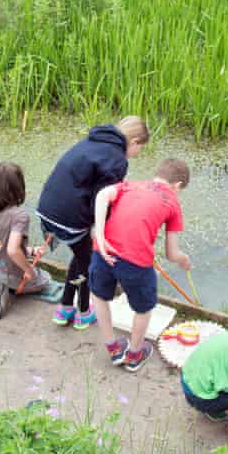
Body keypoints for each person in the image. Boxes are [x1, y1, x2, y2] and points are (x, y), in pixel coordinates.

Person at [36, 116, 149, 330]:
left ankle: (65, 308)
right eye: (139, 149)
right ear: (134, 141)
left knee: (81, 255)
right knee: (90, 263)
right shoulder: (118, 160)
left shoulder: (93, 141)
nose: (136, 154)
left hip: (47, 207)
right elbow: (101, 199)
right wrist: (100, 229)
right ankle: (84, 312)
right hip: (68, 217)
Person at [90, 158, 191, 372]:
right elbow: (172, 254)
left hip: (102, 251)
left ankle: (113, 349)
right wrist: (184, 260)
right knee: (144, 308)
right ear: (178, 186)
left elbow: (101, 195)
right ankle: (135, 354)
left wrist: (99, 235)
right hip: (136, 261)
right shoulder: (172, 202)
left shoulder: (130, 185)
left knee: (99, 296)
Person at [0, 161, 52, 318]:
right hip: (13, 274)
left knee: (8, 271)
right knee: (46, 279)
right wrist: (29, 271)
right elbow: (12, 250)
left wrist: (31, 250)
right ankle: (8, 290)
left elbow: (2, 242)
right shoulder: (20, 216)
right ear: (19, 187)